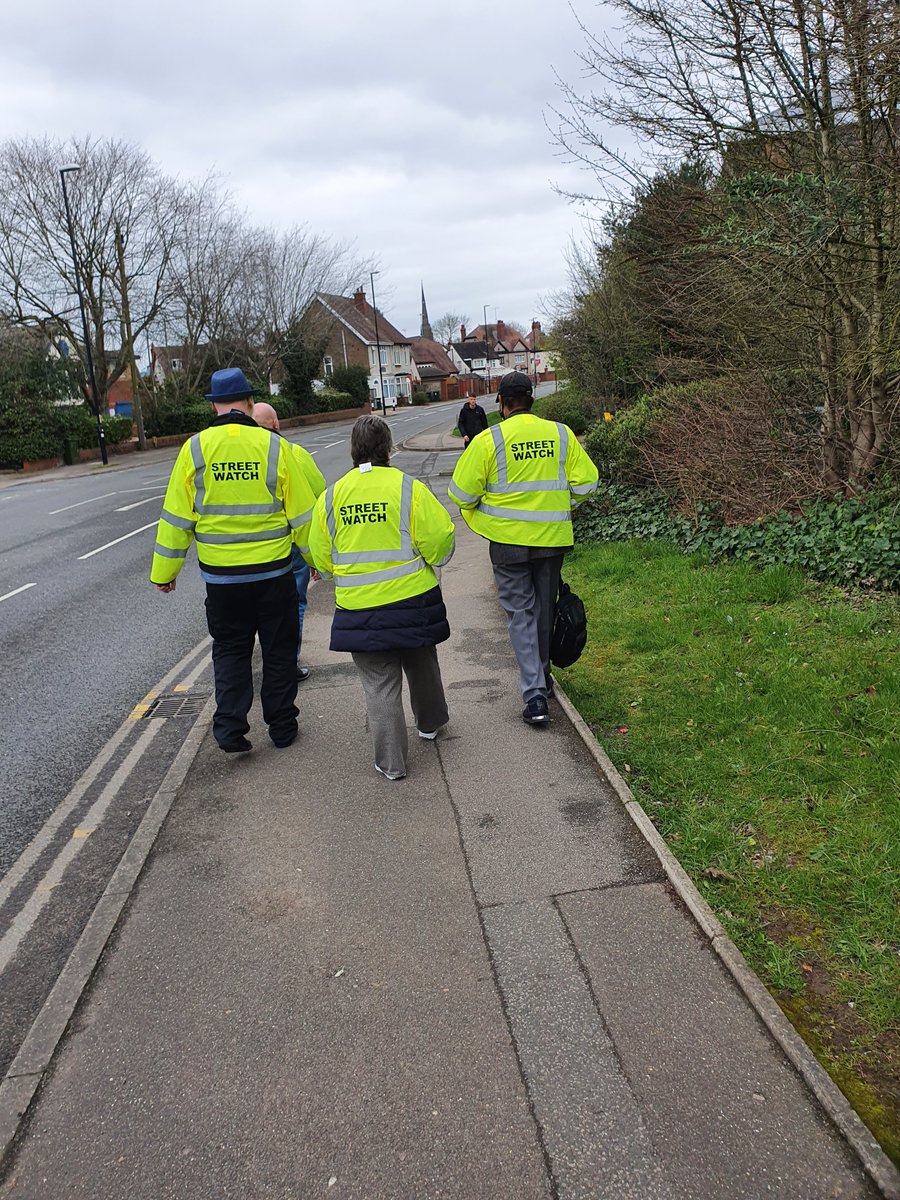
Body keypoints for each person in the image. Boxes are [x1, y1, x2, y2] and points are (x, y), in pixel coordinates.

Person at [150, 368, 319, 753]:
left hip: (222, 581)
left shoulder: (194, 449)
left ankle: (229, 730)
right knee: (278, 650)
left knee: (230, 651)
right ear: (248, 402)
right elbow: (302, 515)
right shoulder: (273, 447)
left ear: (213, 404)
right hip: (273, 572)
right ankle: (281, 728)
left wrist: (165, 572)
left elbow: (177, 517)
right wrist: (317, 560)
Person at [448, 371, 599, 726]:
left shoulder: (489, 440)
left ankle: (534, 695)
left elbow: (461, 494)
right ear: (531, 399)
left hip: (507, 543)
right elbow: (589, 482)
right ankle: (542, 680)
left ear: (501, 403)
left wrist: (488, 518)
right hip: (551, 540)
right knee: (545, 610)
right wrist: (562, 505)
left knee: (520, 613)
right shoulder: (560, 434)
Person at [309, 415, 454, 780]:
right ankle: (431, 723)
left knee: (379, 683)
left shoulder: (332, 496)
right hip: (412, 600)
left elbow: (319, 555)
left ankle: (392, 764)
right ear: (388, 448)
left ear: (353, 450)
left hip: (359, 607)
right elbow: (439, 542)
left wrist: (336, 571)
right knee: (422, 663)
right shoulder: (409, 488)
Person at [252, 401, 326, 681]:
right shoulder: (294, 452)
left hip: (252, 546)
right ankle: (288, 662)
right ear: (277, 425)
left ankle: (260, 659)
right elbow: (318, 496)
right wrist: (316, 554)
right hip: (291, 543)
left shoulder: (243, 454)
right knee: (293, 603)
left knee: (254, 606)